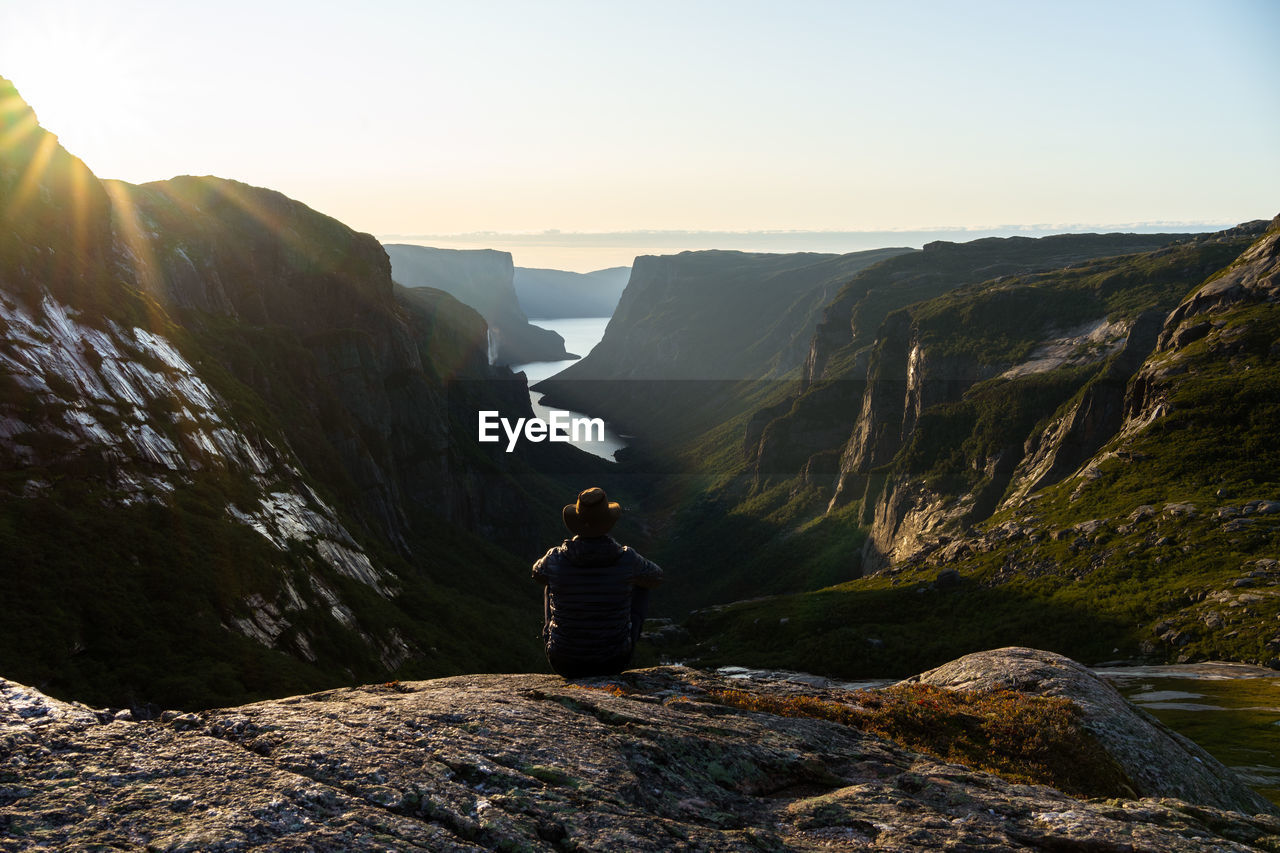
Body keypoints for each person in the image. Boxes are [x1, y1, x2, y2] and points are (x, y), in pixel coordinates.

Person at [532, 487, 663, 678]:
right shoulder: (627, 558)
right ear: (608, 522)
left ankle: (553, 635)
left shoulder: (555, 558)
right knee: (642, 584)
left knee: (549, 583)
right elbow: (657, 577)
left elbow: (537, 574)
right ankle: (619, 636)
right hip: (613, 661)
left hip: (563, 662)